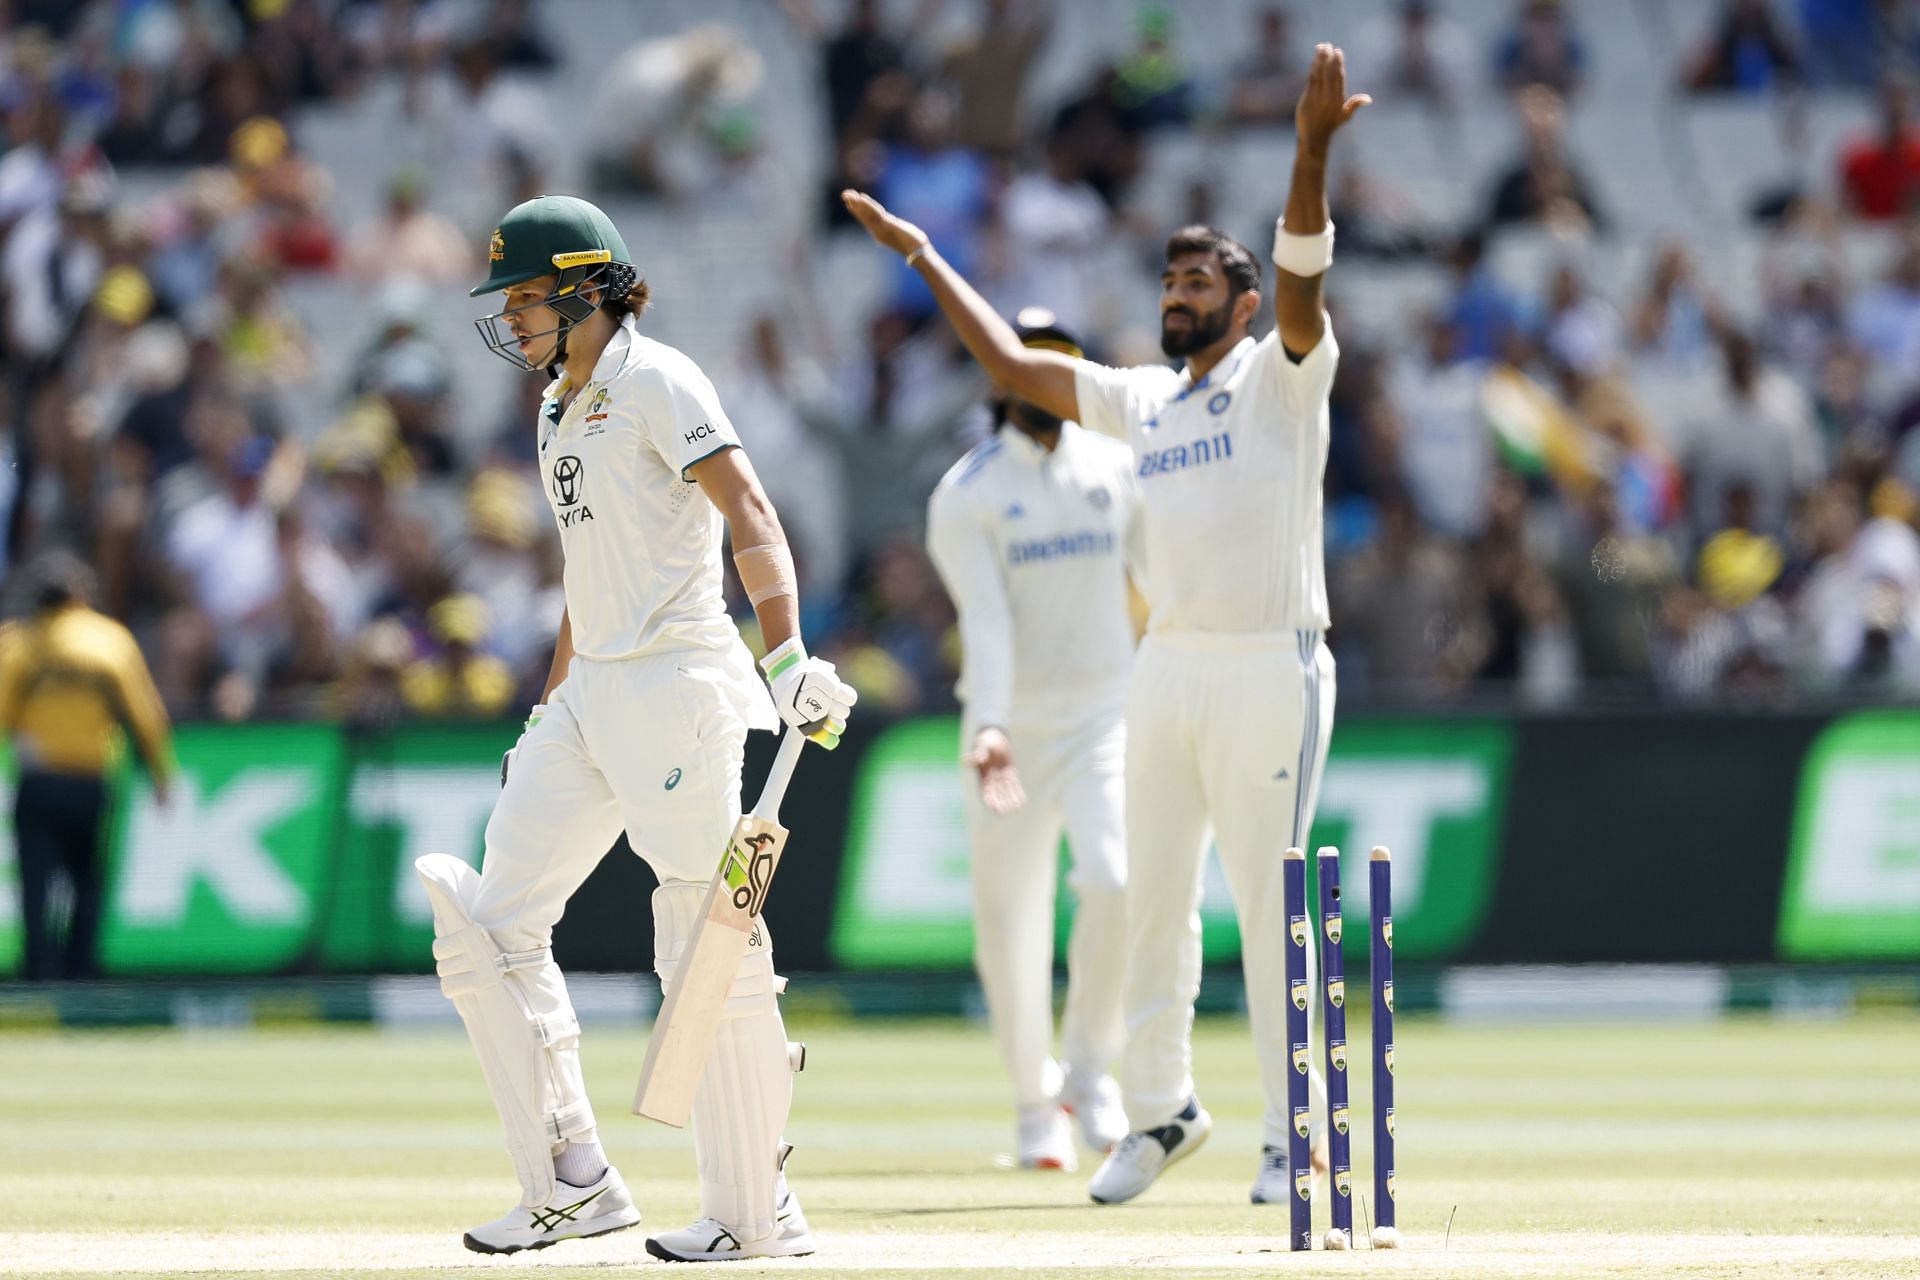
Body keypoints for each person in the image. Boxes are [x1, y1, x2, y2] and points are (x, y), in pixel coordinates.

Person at [845, 42, 1367, 1206]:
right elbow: (1015, 364)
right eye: (1168, 284)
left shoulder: (1286, 372)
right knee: (1150, 903)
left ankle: (1300, 1134)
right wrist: (927, 255)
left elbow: (1301, 269)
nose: (1175, 299)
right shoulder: (1142, 401)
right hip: (1167, 668)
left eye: (1197, 286)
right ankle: (1163, 1106)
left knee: (1273, 897)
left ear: (1240, 305)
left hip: (1269, 662)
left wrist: (1310, 151)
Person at [427, 194, 856, 1261]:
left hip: (677, 680)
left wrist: (789, 653)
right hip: (591, 691)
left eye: (525, 298)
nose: (513, 319)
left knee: (702, 932)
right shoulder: (554, 406)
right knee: (487, 920)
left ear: (584, 288)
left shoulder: (660, 378)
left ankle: (755, 1206)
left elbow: (749, 507)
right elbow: (587, 578)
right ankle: (573, 1179)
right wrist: (551, 701)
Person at [925, 309, 1140, 1173]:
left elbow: (1161, 586)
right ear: (1000, 372)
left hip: (1104, 719)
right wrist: (991, 726)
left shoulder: (1118, 468)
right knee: (1009, 929)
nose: (1048, 379)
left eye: (1064, 364)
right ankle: (1031, 1104)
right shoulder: (966, 493)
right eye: (1032, 363)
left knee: (1117, 881)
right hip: (1008, 734)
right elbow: (986, 623)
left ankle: (1088, 1072)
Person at [0, 551, 174, 980]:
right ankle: (81, 970)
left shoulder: (19, 644)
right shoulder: (110, 641)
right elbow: (146, 717)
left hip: (39, 781)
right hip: (91, 781)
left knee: (36, 879)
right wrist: (161, 774)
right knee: (87, 879)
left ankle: (40, 967)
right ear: (81, 595)